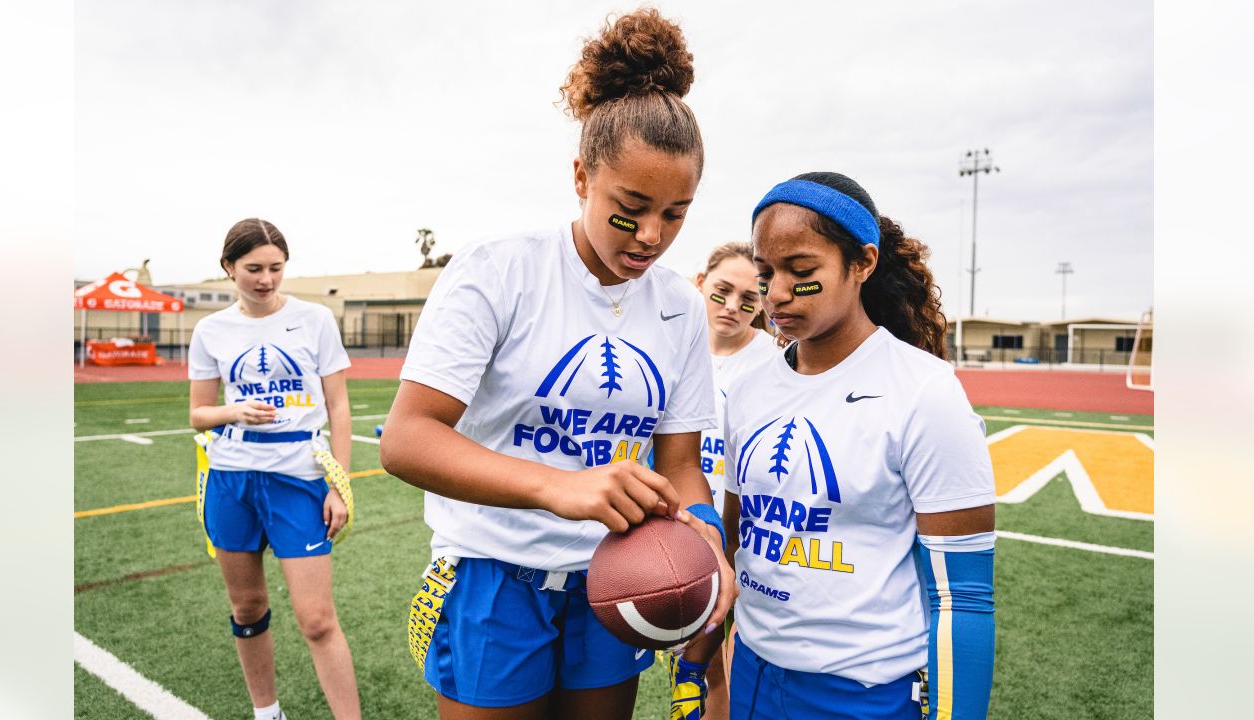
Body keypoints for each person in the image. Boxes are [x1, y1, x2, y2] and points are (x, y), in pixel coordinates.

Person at [379, 9, 734, 720]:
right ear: (580, 176)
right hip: (492, 570)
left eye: (677, 213)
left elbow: (681, 462)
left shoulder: (678, 304)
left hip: (619, 572)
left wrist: (704, 533)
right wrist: (557, 487)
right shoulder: (498, 270)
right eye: (631, 208)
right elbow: (406, 439)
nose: (652, 237)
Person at [710, 172, 997, 719]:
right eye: (766, 272)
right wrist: (710, 664)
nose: (776, 294)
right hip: (749, 671)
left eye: (802, 271)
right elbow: (732, 540)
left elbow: (964, 598)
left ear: (862, 263)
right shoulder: (748, 389)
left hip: (862, 694)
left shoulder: (924, 392)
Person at [188, 218, 361, 720]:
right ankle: (267, 713)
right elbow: (198, 413)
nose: (266, 279)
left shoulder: (315, 319)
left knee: (317, 619)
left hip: (299, 478)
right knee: (247, 608)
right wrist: (232, 411)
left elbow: (340, 408)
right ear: (228, 268)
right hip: (231, 478)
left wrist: (338, 484)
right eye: (253, 269)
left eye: (276, 268)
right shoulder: (211, 330)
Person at [675, 242, 782, 719]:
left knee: (739, 665)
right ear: (700, 282)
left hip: (750, 540)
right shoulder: (675, 346)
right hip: (686, 536)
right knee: (695, 667)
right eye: (721, 292)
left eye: (749, 297)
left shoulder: (776, 360)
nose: (733, 307)